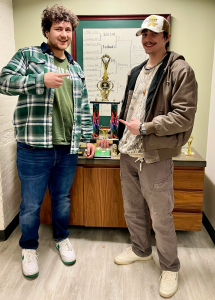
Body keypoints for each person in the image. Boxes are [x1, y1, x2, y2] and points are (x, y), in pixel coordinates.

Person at [0, 5, 95, 278]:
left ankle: (61, 238)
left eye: (68, 29)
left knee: (62, 199)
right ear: (47, 31)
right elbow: (4, 81)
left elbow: (84, 107)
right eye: (58, 28)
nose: (64, 34)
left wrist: (87, 137)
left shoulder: (76, 67)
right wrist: (40, 79)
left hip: (67, 148)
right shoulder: (28, 55)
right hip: (33, 149)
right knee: (30, 204)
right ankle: (29, 247)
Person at [114, 15, 197, 298]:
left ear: (166, 37)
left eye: (154, 34)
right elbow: (130, 108)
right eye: (144, 35)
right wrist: (119, 138)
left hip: (154, 156)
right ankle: (140, 250)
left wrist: (147, 127)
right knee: (133, 209)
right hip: (127, 152)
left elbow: (184, 116)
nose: (148, 39)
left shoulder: (179, 69)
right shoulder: (136, 71)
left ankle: (170, 267)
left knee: (161, 216)